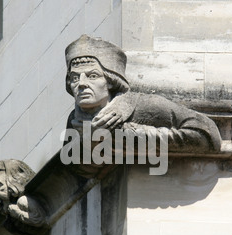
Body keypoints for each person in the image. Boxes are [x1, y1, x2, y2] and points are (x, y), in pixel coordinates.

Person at [64, 35, 222, 157]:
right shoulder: (75, 120)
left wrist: (119, 134)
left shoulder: (144, 105)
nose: (81, 84)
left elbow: (208, 135)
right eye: (74, 78)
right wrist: (89, 140)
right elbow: (74, 175)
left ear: (111, 81)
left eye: (92, 76)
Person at [0, 160, 47, 235]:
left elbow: (41, 220)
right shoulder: (9, 221)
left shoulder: (23, 201)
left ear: (12, 184)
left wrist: (18, 213)